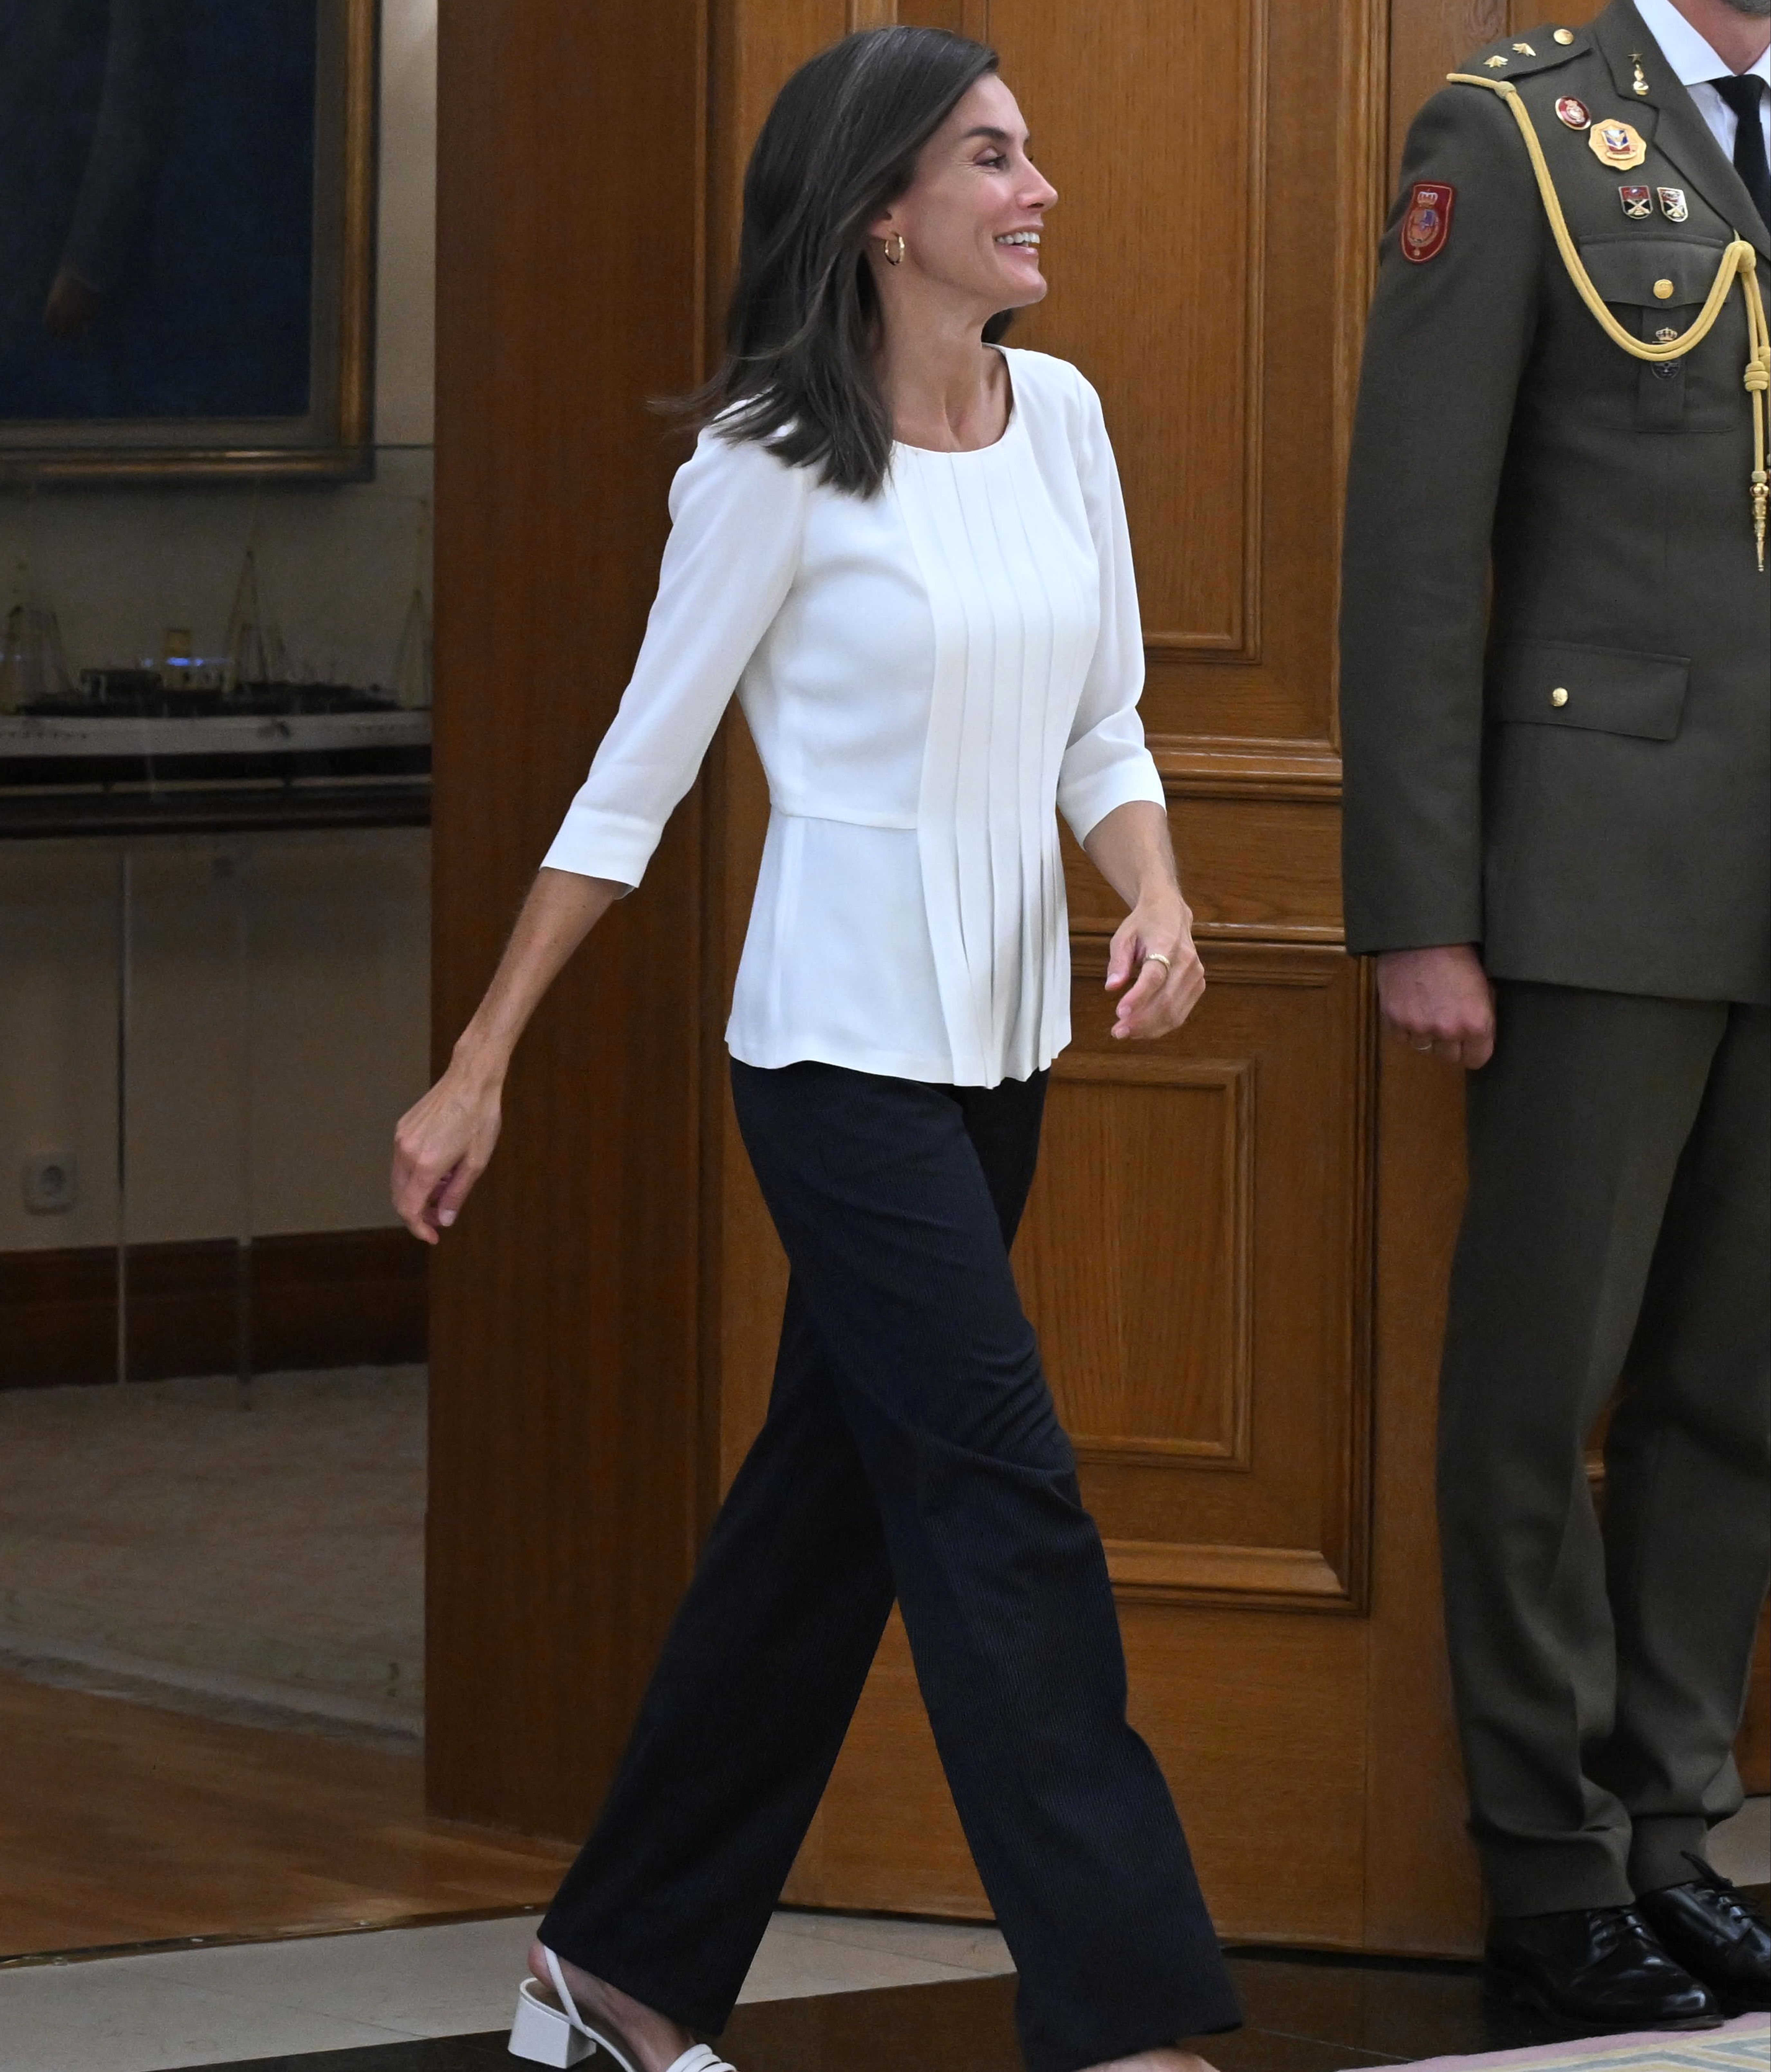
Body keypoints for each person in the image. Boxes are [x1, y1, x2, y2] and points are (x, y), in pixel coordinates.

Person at [392, 27, 1240, 2072]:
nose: (1039, 187)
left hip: (1001, 1052)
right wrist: (481, 1055)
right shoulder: (769, 456)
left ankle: (610, 1980)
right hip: (839, 1063)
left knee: (825, 1518)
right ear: (885, 213)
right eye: (993, 158)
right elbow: (637, 777)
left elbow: (1103, 727)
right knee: (999, 1494)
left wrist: (1162, 889)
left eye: (1032, 153)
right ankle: (1127, 2021)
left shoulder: (1072, 423)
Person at [1339, 0, 1771, 2038]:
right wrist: (1423, 909)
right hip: (1596, 873)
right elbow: (1417, 552)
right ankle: (1546, 1864)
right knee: (1541, 1395)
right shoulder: (1512, 133)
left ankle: (1678, 1830)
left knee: (1733, 1394)